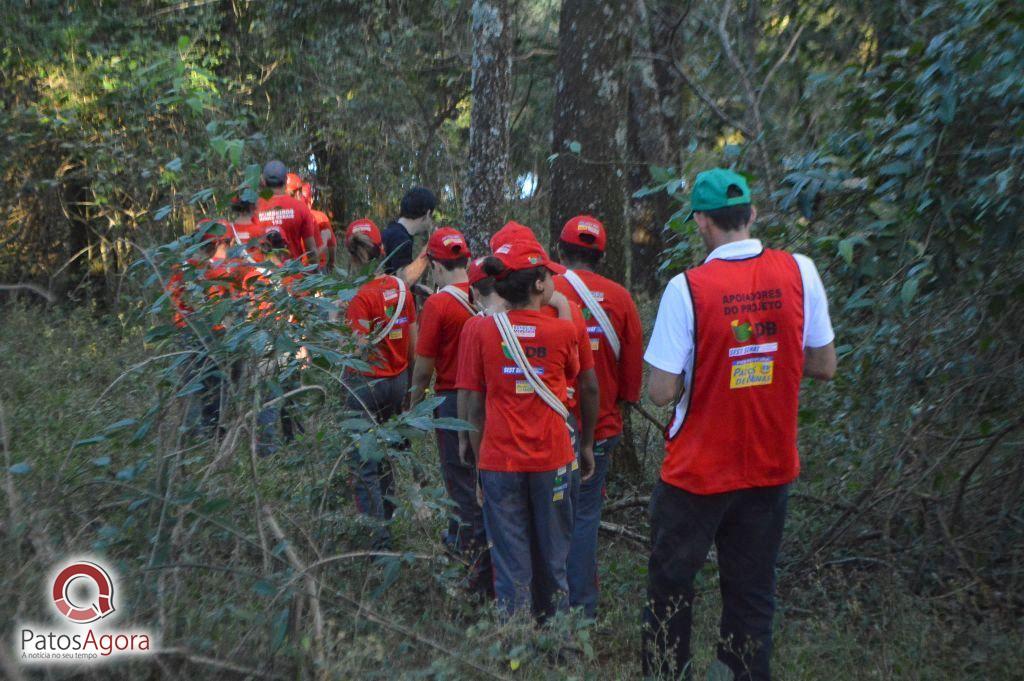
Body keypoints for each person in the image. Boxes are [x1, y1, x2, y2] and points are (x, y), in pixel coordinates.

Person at [641, 168, 837, 680]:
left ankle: (668, 673)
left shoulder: (688, 288)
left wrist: (705, 374)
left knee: (671, 587)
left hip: (696, 472)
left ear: (701, 223)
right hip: (769, 466)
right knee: (751, 595)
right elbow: (824, 364)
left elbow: (660, 391)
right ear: (751, 214)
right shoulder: (801, 272)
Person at [456, 239, 591, 622]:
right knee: (554, 557)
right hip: (553, 461)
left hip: (500, 461)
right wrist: (563, 308)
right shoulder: (563, 333)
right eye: (547, 275)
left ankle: (515, 643)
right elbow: (571, 381)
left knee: (510, 559)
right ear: (537, 285)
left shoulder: (481, 331)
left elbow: (476, 406)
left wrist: (478, 458)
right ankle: (558, 638)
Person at [553, 214, 644, 620]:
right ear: (602, 256)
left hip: (549, 427)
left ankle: (548, 607)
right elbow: (632, 382)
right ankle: (583, 611)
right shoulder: (622, 299)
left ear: (559, 250)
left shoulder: (545, 290)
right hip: (601, 427)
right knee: (586, 515)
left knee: (551, 514)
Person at [490, 222, 600, 486]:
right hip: (557, 431)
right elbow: (587, 382)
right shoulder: (569, 312)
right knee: (556, 519)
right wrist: (586, 443)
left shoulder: (484, 322)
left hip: (502, 440)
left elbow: (473, 392)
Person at [342, 218, 418, 549]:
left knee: (364, 464)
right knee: (386, 454)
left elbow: (357, 349)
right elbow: (414, 346)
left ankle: (379, 542)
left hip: (366, 387)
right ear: (382, 250)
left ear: (352, 255)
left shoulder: (359, 297)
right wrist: (411, 389)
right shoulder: (402, 290)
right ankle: (388, 521)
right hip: (399, 382)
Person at [408, 228, 483, 553]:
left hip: (452, 402)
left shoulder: (438, 305)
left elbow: (423, 369)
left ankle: (466, 548)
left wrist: (414, 407)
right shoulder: (489, 293)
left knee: (459, 477)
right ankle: (467, 539)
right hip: (490, 397)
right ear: (466, 260)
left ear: (436, 267)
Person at [252, 161, 318, 264]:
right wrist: (315, 275)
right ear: (286, 180)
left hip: (263, 275)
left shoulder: (253, 208)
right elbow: (312, 250)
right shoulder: (301, 208)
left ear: (263, 181)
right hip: (293, 275)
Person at [381, 186, 436, 286]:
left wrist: (418, 289)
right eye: (432, 216)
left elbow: (391, 276)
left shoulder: (391, 231)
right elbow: (403, 280)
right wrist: (429, 248)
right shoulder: (401, 238)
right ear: (427, 214)